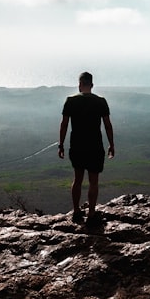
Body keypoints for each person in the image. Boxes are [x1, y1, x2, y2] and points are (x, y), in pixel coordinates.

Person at [58, 71, 115, 225]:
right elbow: (108, 126)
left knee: (77, 179)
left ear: (80, 84)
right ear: (92, 85)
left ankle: (76, 211)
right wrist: (111, 144)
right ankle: (91, 213)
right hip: (95, 146)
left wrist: (61, 144)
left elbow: (64, 125)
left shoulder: (70, 101)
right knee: (93, 181)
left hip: (77, 146)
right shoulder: (101, 101)